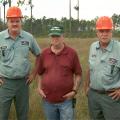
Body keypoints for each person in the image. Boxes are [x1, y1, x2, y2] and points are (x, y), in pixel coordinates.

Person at [0, 6, 40, 120]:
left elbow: (39, 55)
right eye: (11, 21)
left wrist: (33, 74)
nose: (14, 24)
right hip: (4, 83)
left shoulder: (28, 37)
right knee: (2, 116)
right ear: (7, 22)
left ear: (21, 22)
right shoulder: (0, 37)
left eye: (17, 21)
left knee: (23, 116)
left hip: (23, 83)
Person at [36, 26, 82, 120]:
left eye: (57, 36)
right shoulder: (44, 54)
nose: (55, 38)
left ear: (62, 36)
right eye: (53, 36)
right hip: (48, 101)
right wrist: (39, 88)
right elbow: (40, 73)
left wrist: (74, 91)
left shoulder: (72, 53)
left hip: (66, 101)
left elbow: (78, 74)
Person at [85, 16, 120, 120]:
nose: (104, 34)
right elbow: (90, 68)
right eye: (101, 31)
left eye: (107, 31)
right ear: (97, 32)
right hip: (93, 96)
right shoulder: (93, 47)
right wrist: (86, 87)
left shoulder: (118, 48)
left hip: (111, 97)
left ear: (111, 32)